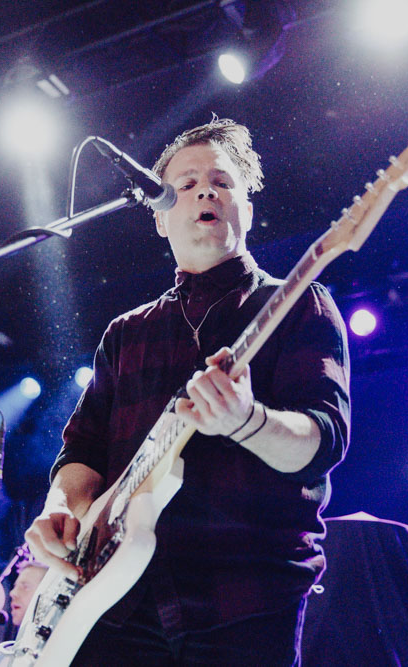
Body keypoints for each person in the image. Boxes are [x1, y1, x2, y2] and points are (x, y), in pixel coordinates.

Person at [25, 118, 350, 666]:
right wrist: (67, 511)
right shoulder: (125, 332)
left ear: (246, 207)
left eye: (223, 183)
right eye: (187, 182)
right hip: (114, 602)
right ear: (158, 215)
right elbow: (79, 453)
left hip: (243, 599)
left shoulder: (298, 303)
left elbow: (323, 442)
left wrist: (247, 421)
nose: (206, 190)